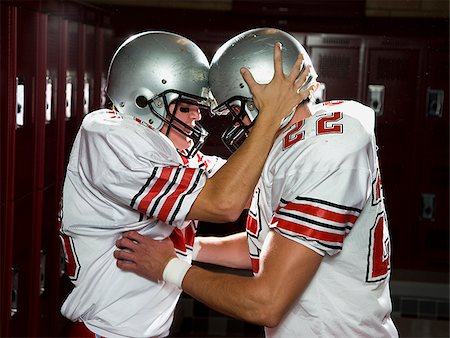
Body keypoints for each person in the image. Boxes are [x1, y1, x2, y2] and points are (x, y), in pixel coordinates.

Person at [114, 28, 399, 337]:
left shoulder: (326, 154)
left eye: (238, 110)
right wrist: (188, 248)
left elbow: (266, 303)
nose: (239, 122)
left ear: (261, 97)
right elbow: (268, 244)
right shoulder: (295, 143)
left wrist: (169, 268)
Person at [58, 30, 315, 338]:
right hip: (105, 333)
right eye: (184, 106)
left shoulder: (161, 148)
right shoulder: (112, 141)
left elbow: (244, 187)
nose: (196, 117)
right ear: (141, 99)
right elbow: (224, 203)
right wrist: (269, 116)